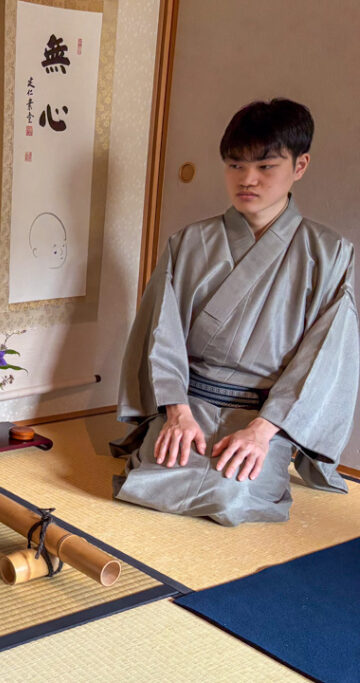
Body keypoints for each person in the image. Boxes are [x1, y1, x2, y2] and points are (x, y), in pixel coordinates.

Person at [111, 98, 359, 526]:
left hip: (264, 417)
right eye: (235, 165)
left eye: (266, 167)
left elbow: (324, 359)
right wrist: (176, 412)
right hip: (190, 404)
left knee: (231, 497)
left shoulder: (331, 254)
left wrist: (263, 433)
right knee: (152, 481)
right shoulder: (188, 243)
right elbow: (159, 333)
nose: (247, 179)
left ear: (300, 166)